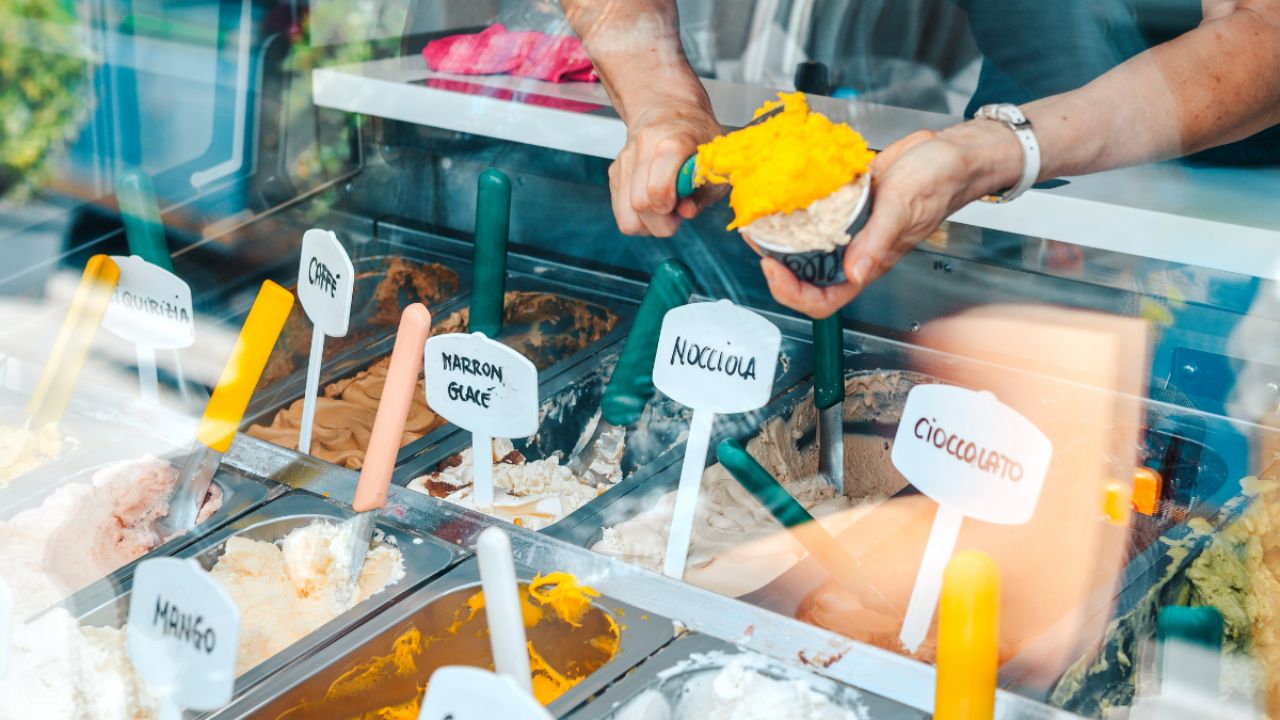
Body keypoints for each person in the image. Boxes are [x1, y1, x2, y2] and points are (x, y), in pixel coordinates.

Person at [559, 0, 1280, 318]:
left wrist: (1004, 146)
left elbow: (1266, 33)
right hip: (995, 165)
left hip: (1218, 195)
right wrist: (661, 98)